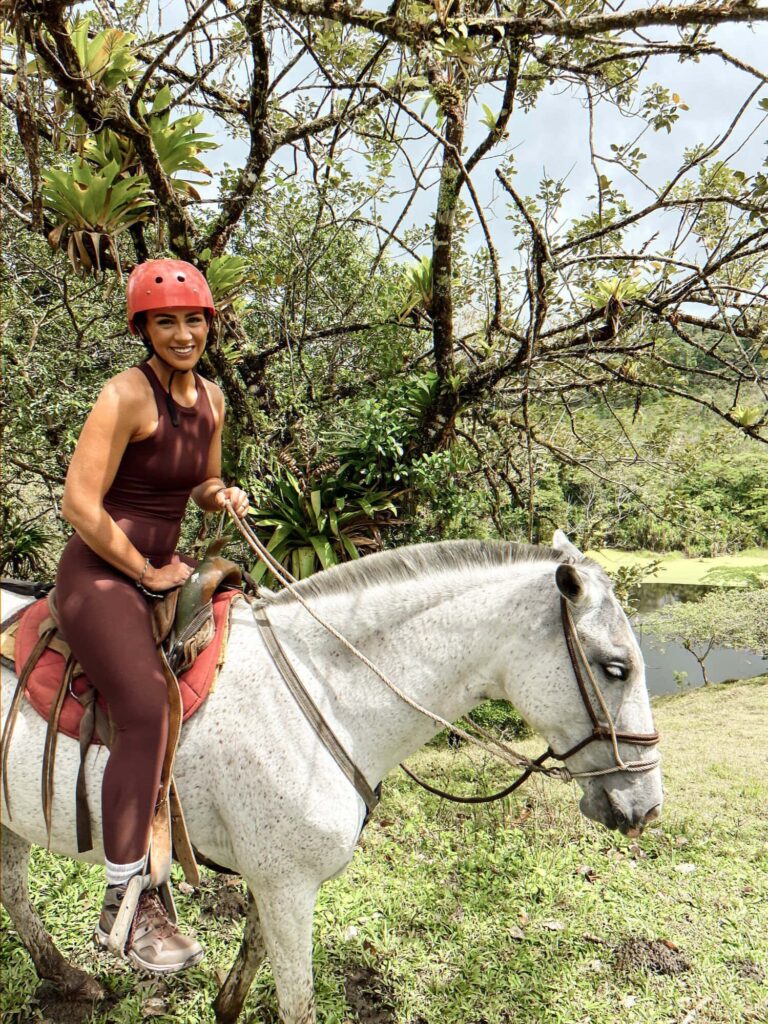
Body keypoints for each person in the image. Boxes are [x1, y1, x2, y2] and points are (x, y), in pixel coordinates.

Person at [56, 259, 249, 973]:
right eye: (164, 321)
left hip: (163, 575)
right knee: (143, 708)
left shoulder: (214, 400)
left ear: (209, 325)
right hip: (102, 575)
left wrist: (221, 494)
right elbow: (80, 504)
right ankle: (123, 904)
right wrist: (142, 570)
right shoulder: (125, 395)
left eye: (193, 319)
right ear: (143, 328)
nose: (182, 332)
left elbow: (199, 479)